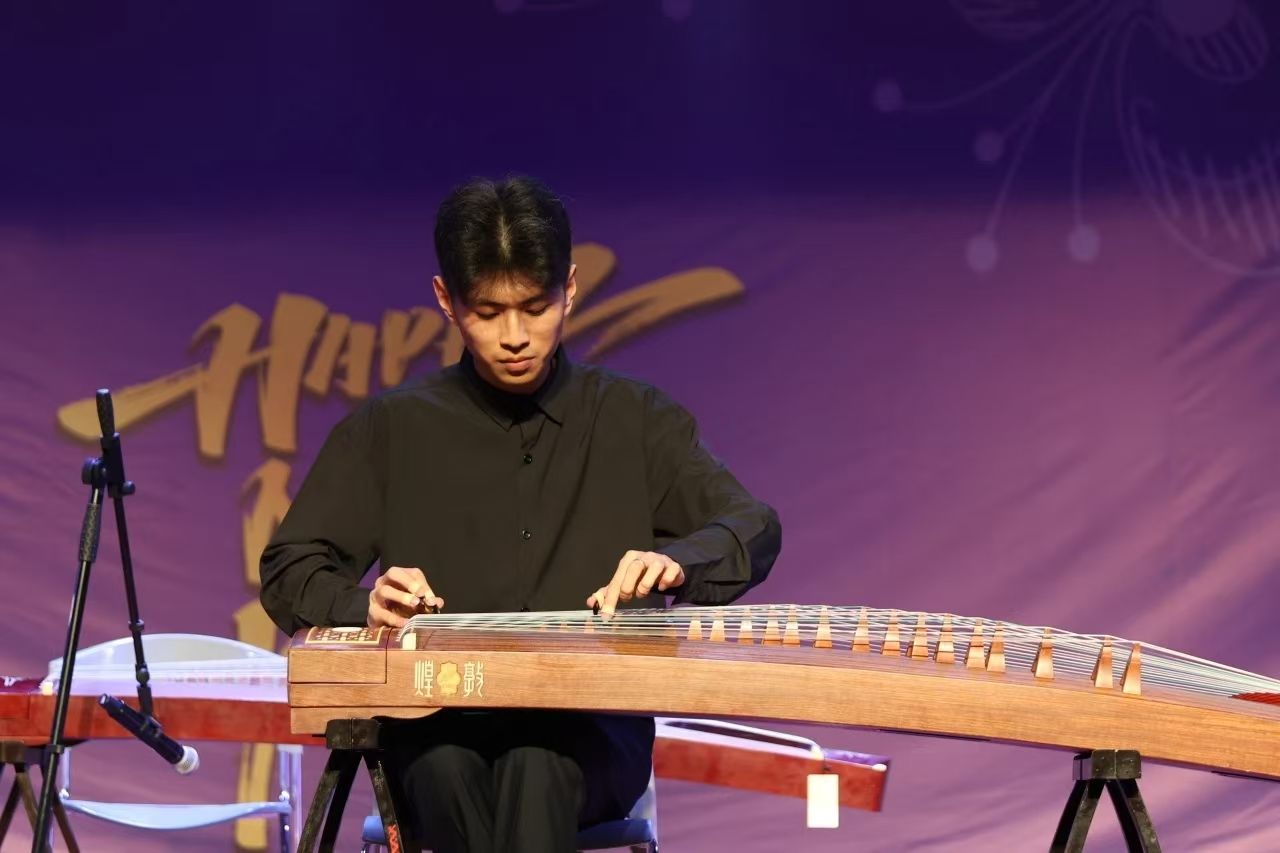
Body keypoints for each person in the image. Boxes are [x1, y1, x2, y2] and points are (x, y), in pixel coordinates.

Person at [260, 175, 781, 853]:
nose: (514, 337)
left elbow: (753, 525)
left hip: (590, 731)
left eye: (535, 308)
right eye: (488, 311)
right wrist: (366, 604)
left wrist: (675, 562)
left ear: (570, 287)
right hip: (436, 723)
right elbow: (288, 568)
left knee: (536, 763)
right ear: (446, 300)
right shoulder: (393, 429)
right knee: (446, 769)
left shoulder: (634, 419)